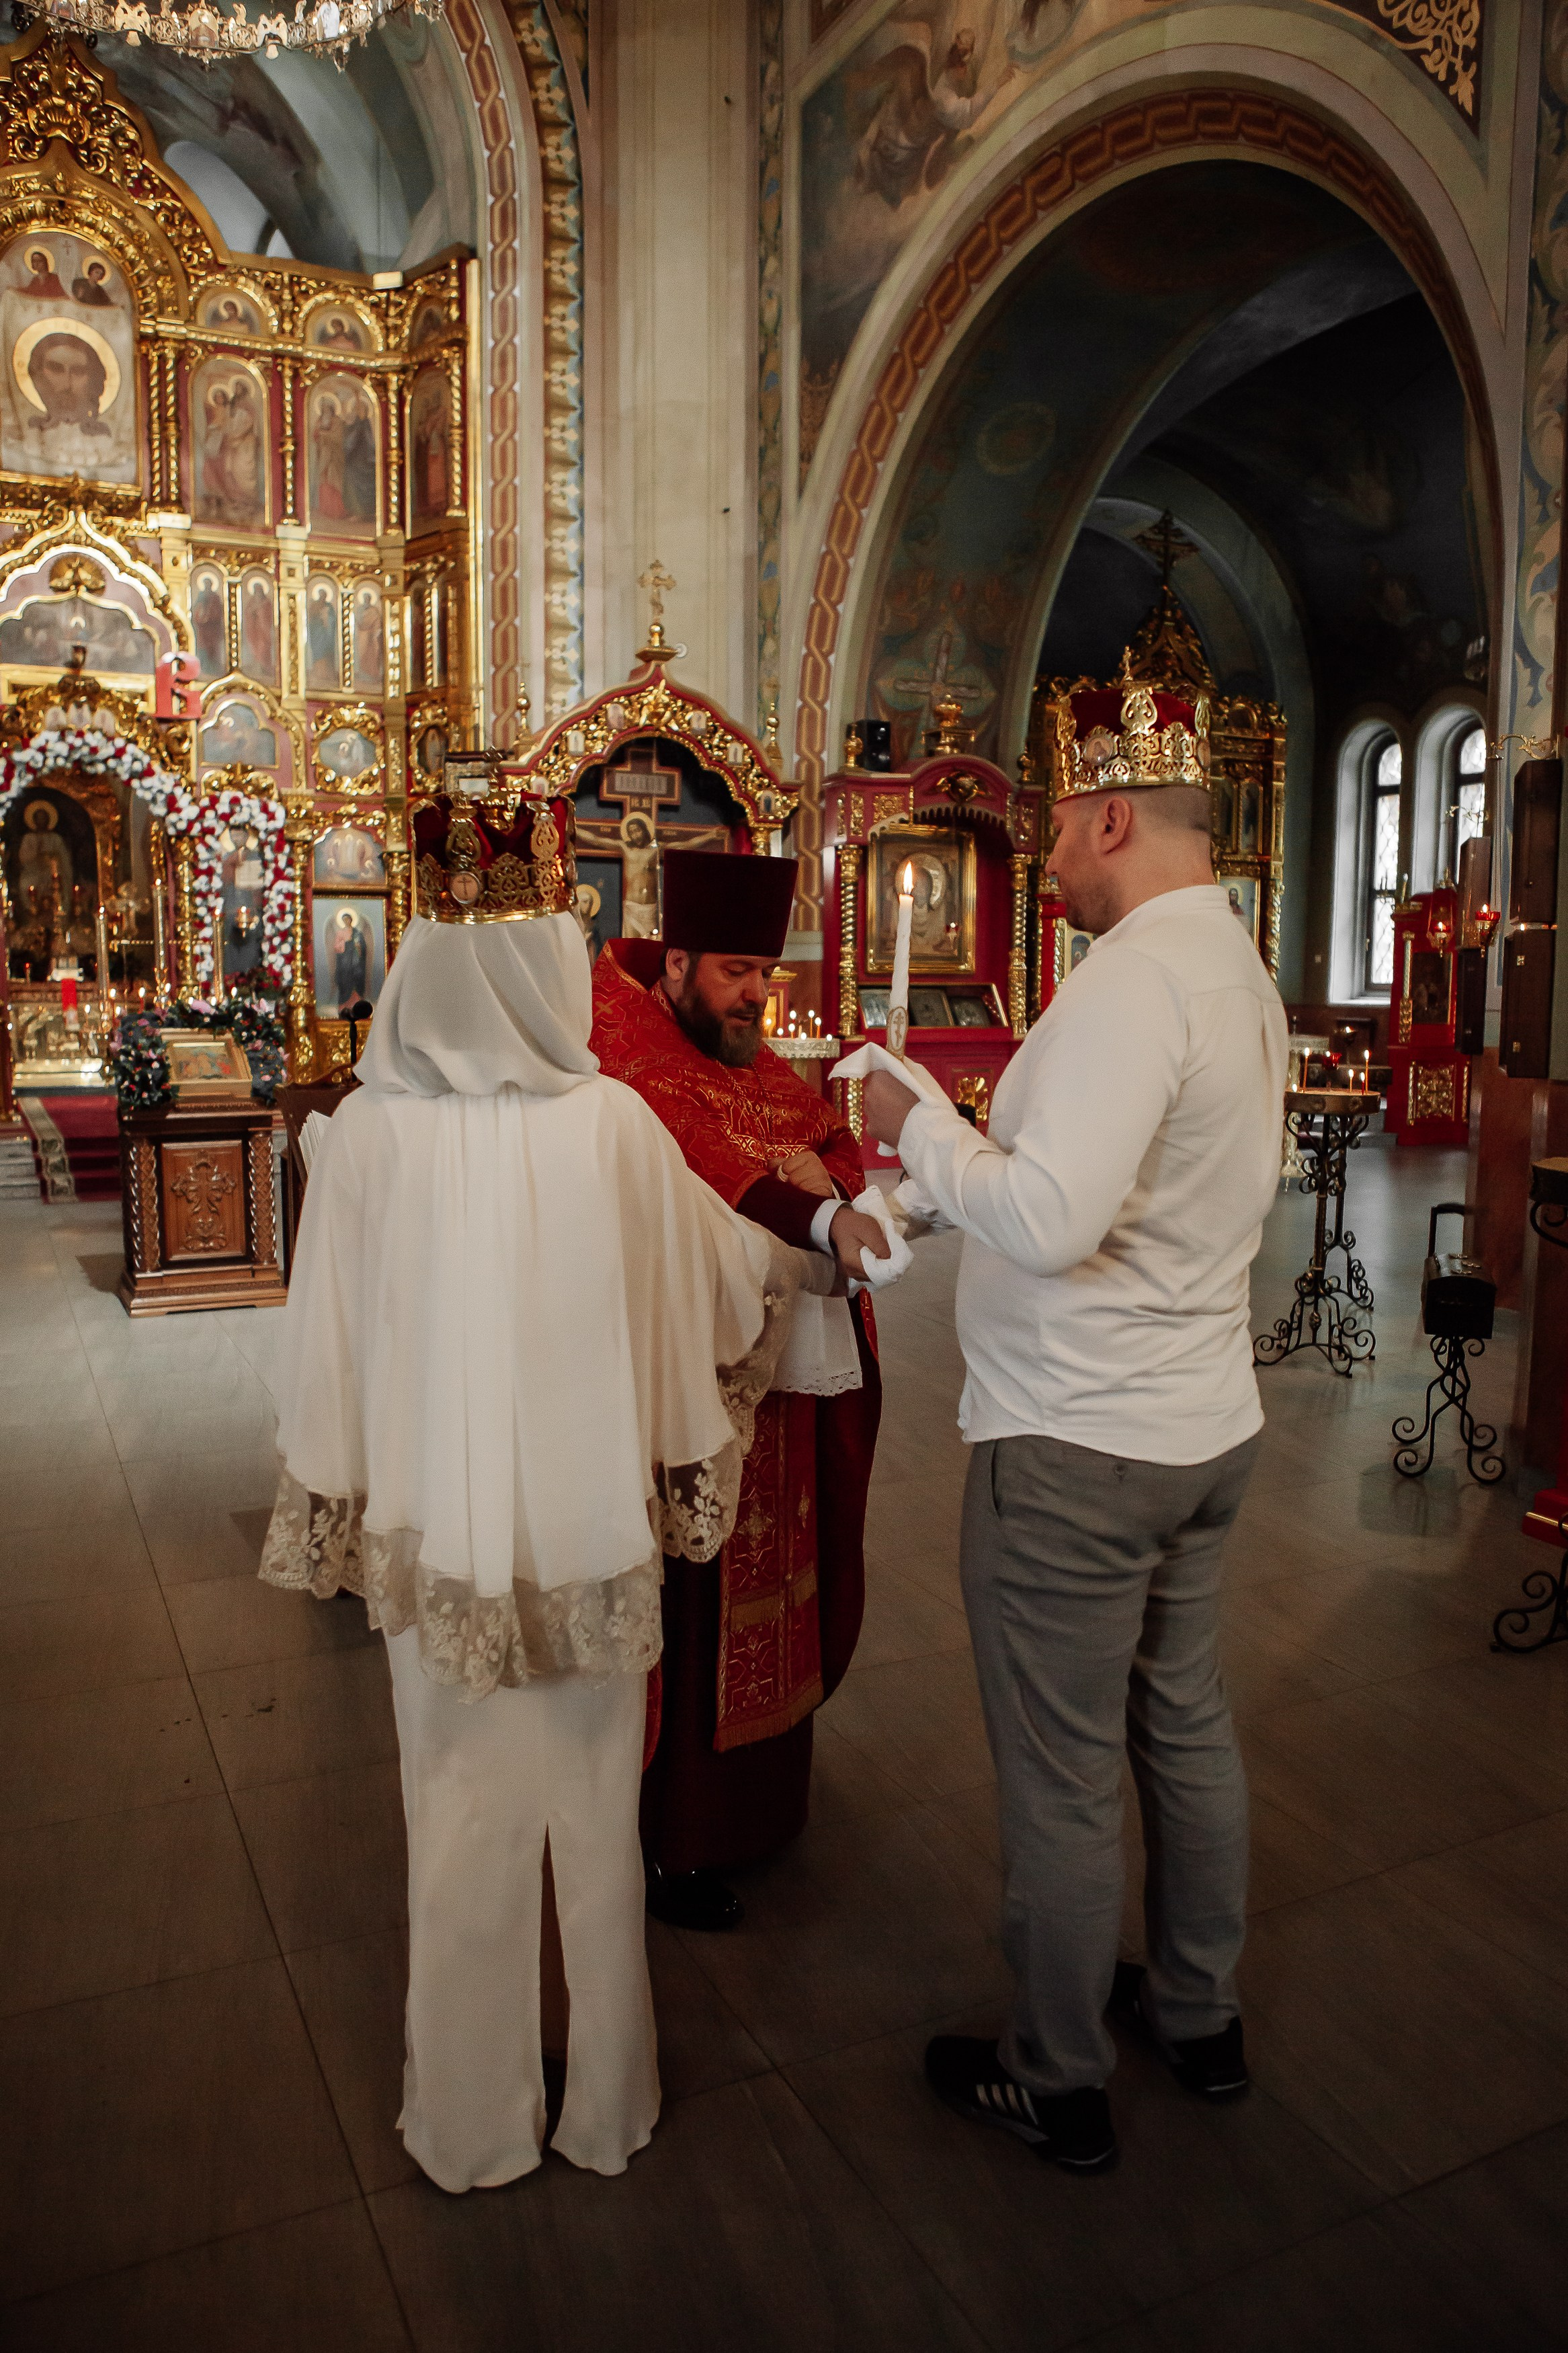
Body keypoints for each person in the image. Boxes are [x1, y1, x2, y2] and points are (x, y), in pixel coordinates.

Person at [258, 787, 831, 2190]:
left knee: (451, 1808)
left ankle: (466, 2116)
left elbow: (317, 1351)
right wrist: (806, 1234)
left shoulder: (368, 1143)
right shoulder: (613, 1132)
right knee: (587, 1811)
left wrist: (345, 1477)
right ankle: (606, 2100)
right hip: (583, 1536)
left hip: (433, 1543)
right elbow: (715, 1288)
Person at [860, 672, 1287, 2173]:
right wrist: (948, 1158)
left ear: (1112, 816)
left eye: (1052, 828)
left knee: (1059, 1765)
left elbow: (1045, 1217)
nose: (1039, 855)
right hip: (1198, 1427)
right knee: (1181, 1722)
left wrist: (910, 1125)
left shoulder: (1132, 982)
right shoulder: (1236, 968)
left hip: (1080, 1447)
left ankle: (1054, 2074)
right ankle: (1198, 2013)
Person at [591, 847, 891, 1930]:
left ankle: (763, 1809)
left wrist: (840, 1182)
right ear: (674, 964)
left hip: (785, 1389)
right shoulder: (622, 1047)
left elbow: (824, 1137)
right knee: (696, 1604)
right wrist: (816, 1207)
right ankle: (679, 1837)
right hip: (690, 1396)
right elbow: (706, 1157)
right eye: (734, 973)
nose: (757, 996)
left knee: (782, 1588)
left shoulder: (747, 1051)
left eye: (766, 972)